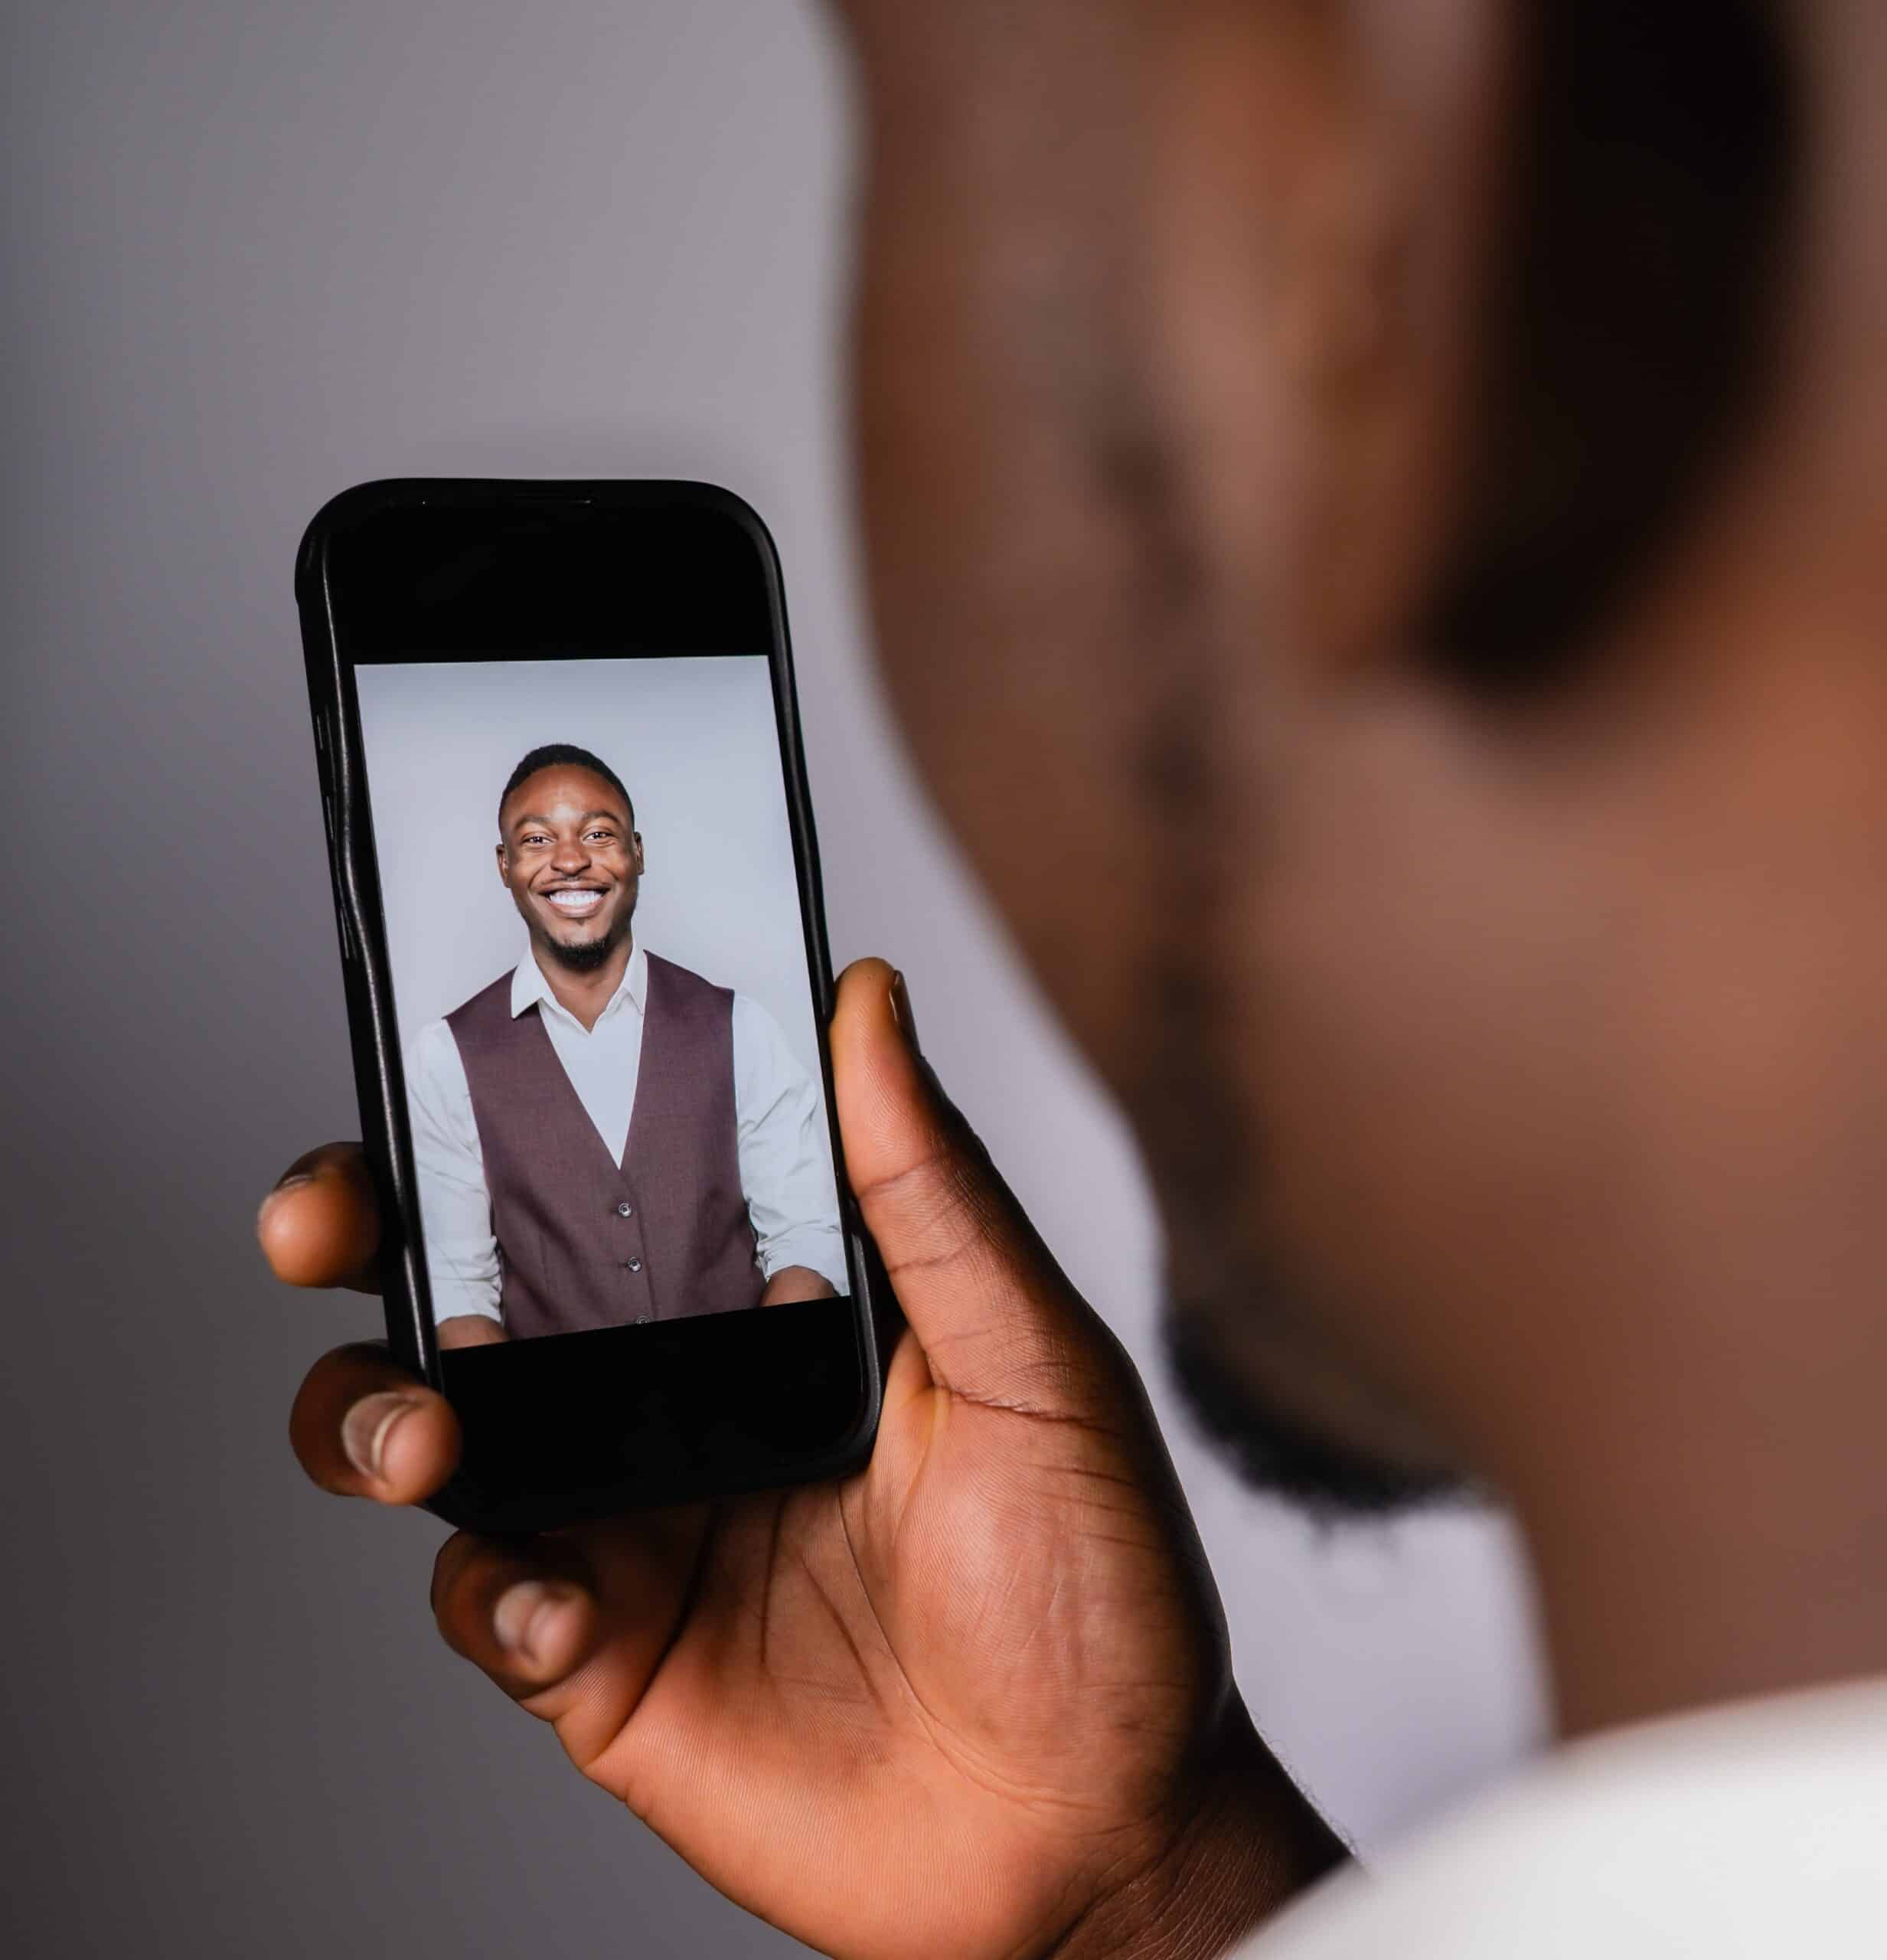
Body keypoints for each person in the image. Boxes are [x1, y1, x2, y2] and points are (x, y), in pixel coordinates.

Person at [257, 1, 1887, 1953]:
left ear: (1374, 203)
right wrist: (1147, 1897)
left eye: (898, 111)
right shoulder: (473, 1051)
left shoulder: (711, 1025)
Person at [413, 742, 845, 1348]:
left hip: (749, 1410)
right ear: (503, 864)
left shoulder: (738, 1025)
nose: (568, 862)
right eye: (537, 840)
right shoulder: (447, 1055)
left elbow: (807, 1240)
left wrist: (762, 1393)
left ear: (636, 853)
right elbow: (457, 1291)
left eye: (597, 834)